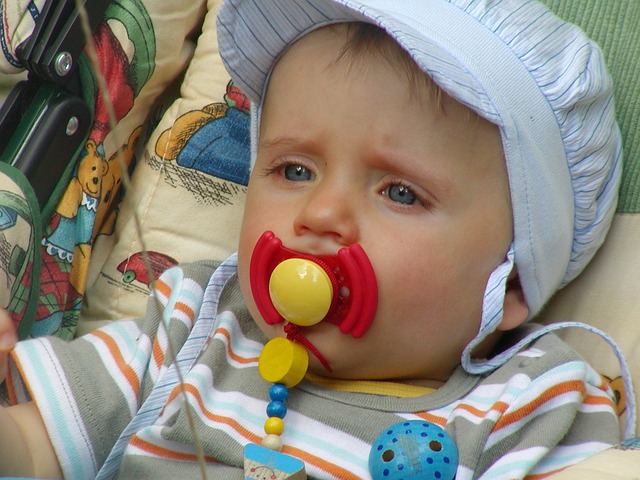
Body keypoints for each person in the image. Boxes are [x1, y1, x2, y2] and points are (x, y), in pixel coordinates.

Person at [0, 0, 634, 478]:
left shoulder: (528, 404)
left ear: (513, 279)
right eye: (295, 171)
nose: (321, 211)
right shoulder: (193, 324)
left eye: (400, 192)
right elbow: (32, 448)